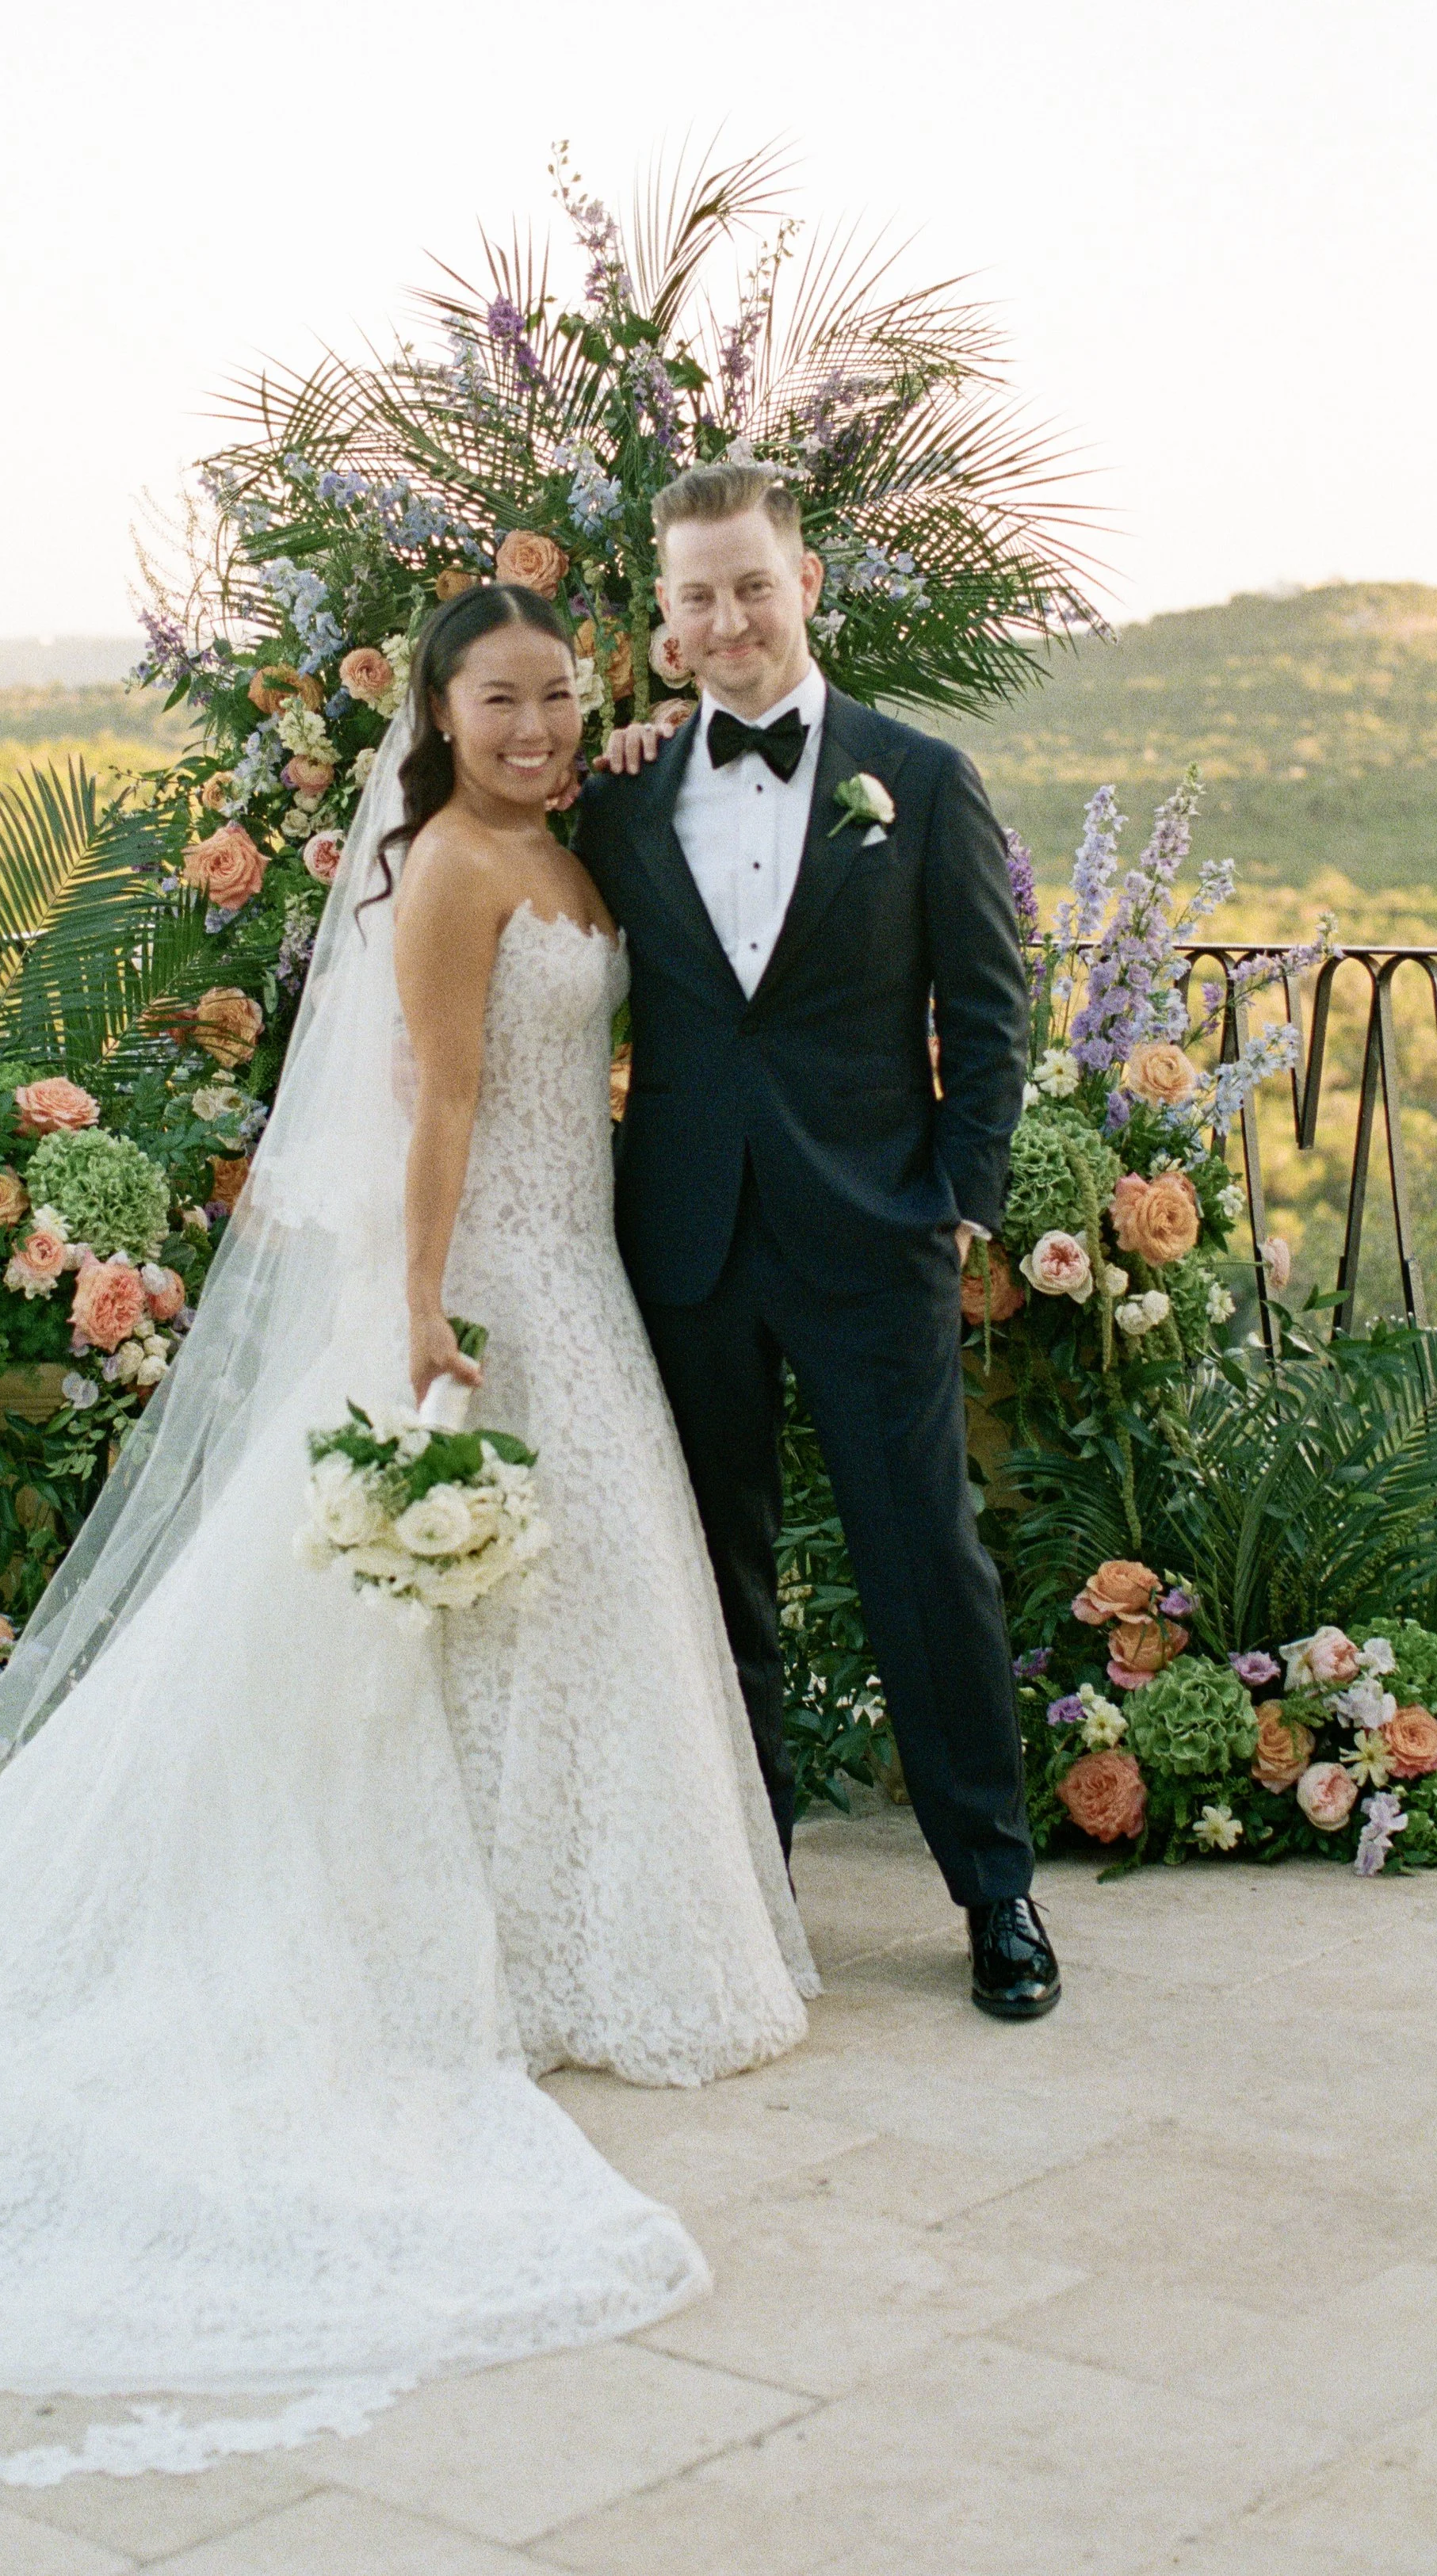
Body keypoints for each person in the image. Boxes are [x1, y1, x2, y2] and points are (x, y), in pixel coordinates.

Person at [0, 583, 811, 2490]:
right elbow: (439, 1097)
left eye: (557, 694)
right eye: (498, 699)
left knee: (575, 1608)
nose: (535, 725)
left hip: (581, 1268)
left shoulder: (566, 841)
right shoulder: (454, 869)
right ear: (436, 714)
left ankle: (566, 1939)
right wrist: (426, 1303)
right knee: (481, 1603)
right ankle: (482, 1955)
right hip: (489, 1278)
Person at [582, 461, 1059, 2023]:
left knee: (924, 1562)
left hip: (873, 1237)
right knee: (711, 1580)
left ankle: (993, 1889)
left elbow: (987, 1007)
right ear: (665, 619)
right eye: (696, 595)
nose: (727, 619)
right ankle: (749, 1890)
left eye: (750, 585)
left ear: (805, 584)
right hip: (684, 1238)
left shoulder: (918, 778)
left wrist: (959, 1197)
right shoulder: (621, 795)